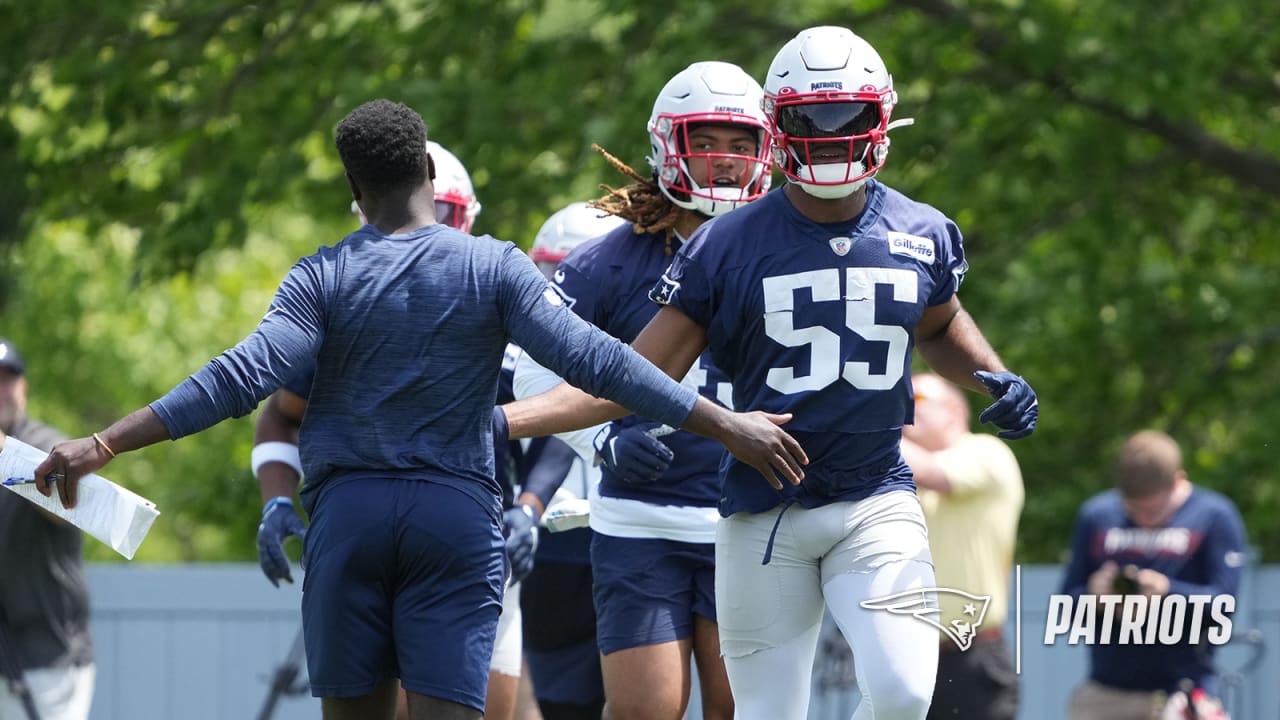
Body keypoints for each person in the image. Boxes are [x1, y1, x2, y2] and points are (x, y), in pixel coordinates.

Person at [31, 99, 804, 720]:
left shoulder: (321, 277)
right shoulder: (492, 264)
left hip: (352, 517)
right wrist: (723, 421)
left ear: (355, 192)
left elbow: (240, 379)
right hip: (455, 520)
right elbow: (602, 363)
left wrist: (104, 442)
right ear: (430, 181)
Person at [498, 26, 1039, 720]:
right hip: (735, 509)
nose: (831, 135)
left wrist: (994, 372)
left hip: (871, 495)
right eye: (811, 121)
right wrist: (533, 427)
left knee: (904, 694)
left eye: (849, 118)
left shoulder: (920, 228)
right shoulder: (709, 246)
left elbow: (938, 321)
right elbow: (631, 374)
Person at [512, 60, 772, 720]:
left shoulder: (785, 251)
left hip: (749, 520)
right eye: (707, 142)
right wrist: (601, 440)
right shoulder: (609, 259)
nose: (724, 160)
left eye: (742, 145)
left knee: (742, 710)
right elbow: (535, 372)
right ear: (667, 145)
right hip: (639, 523)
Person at [252, 139, 528, 720]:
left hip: (478, 529)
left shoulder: (494, 284)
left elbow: (574, 393)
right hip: (409, 525)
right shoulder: (341, 286)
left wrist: (531, 502)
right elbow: (279, 405)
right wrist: (276, 500)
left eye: (447, 215)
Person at [511, 202, 628, 720]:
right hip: (551, 541)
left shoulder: (664, 340)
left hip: (632, 532)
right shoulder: (513, 355)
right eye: (558, 275)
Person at [1060, 430, 1246, 720]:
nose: (1144, 520)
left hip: (1185, 692)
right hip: (1107, 694)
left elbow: (1225, 605)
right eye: (1133, 509)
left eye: (1153, 510)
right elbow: (1065, 606)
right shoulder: (1097, 516)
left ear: (1178, 481)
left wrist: (1167, 591)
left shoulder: (1214, 515)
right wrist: (1094, 596)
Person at [899, 373, 1023, 720]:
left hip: (970, 655)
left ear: (954, 410)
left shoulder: (985, 452)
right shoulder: (902, 471)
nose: (905, 408)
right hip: (911, 656)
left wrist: (866, 421)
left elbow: (930, 471)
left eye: (917, 400)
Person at [0, 337, 95, 720]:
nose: (0, 390)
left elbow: (66, 505)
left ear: (23, 388)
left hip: (50, 659)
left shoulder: (42, 443)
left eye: (7, 379)